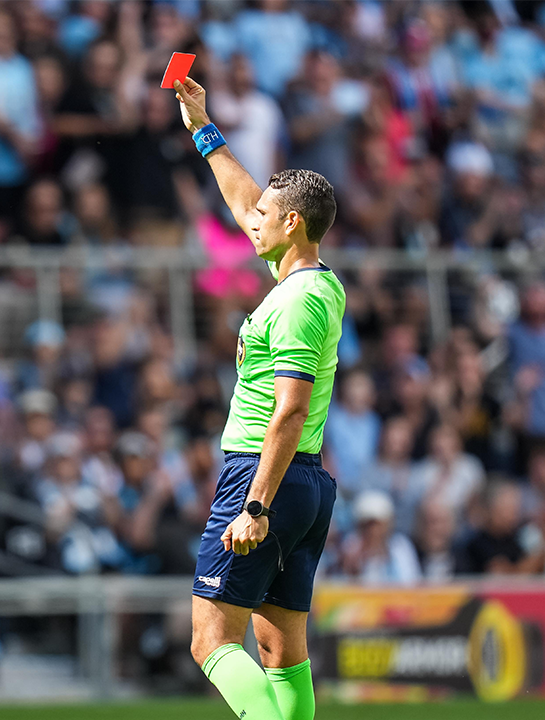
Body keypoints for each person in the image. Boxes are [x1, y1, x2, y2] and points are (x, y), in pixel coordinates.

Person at [173, 75, 342, 720]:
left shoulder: (297, 302)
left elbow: (290, 410)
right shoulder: (310, 277)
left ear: (292, 223)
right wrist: (203, 129)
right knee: (281, 650)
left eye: (266, 217)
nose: (251, 222)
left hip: (263, 474)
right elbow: (245, 199)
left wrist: (255, 504)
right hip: (306, 482)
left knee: (211, 639)